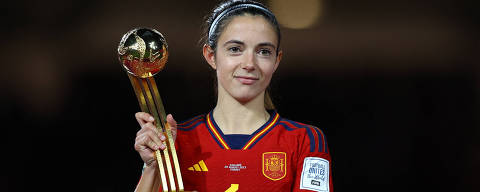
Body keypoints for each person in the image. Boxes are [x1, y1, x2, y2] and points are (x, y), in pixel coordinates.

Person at [134, 0, 332, 191]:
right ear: (211, 56)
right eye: (235, 49)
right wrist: (153, 167)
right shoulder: (175, 141)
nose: (249, 63)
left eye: (264, 51)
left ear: (276, 60)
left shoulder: (304, 140)